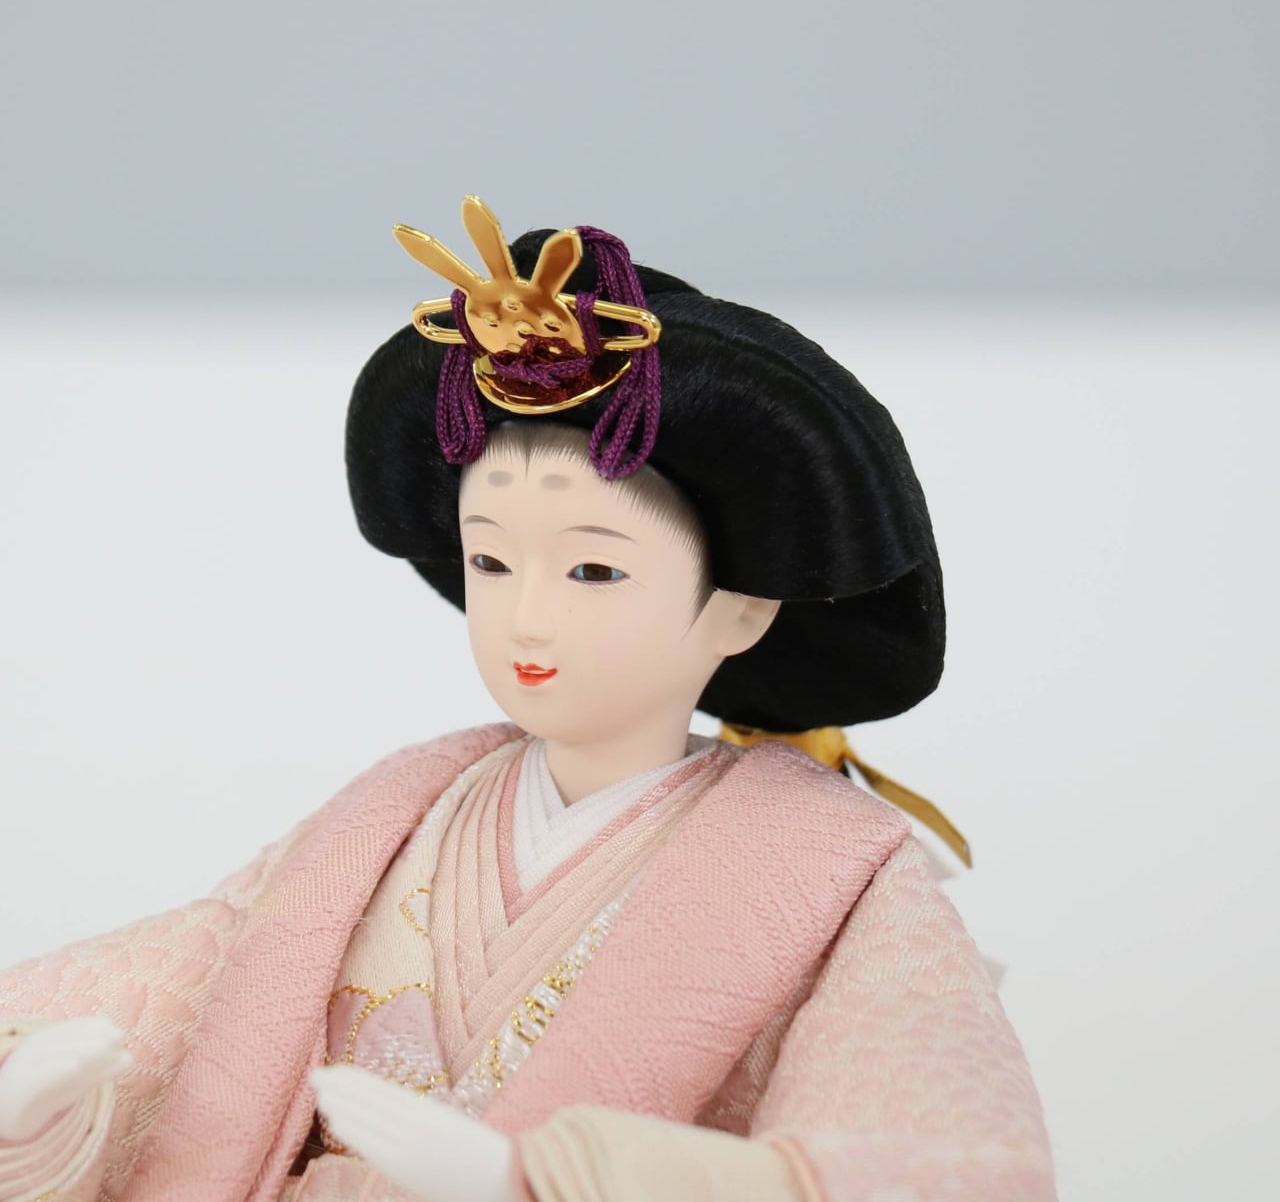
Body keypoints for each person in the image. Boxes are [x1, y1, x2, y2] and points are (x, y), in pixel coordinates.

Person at [0, 199, 1055, 1201]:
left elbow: (924, 1131)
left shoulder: (833, 868)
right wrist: (34, 1103)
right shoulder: (401, 806)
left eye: (593, 570)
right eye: (492, 564)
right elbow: (204, 964)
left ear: (739, 608)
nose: (525, 619)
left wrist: (552, 1179)